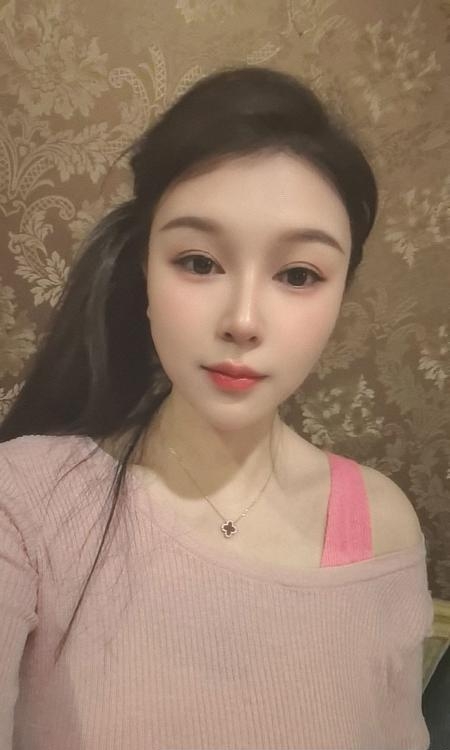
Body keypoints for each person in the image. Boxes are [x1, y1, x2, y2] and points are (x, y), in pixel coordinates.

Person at [0, 65, 434, 749]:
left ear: (340, 299)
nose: (243, 320)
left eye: (298, 274)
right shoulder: (25, 503)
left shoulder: (381, 528)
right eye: (199, 262)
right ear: (144, 271)